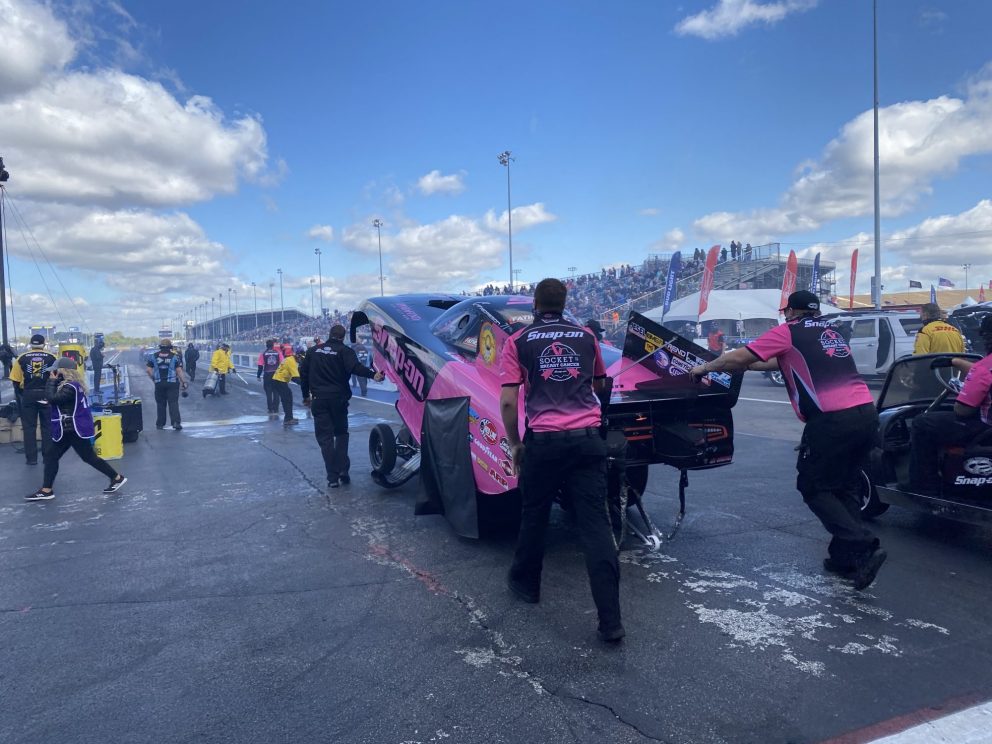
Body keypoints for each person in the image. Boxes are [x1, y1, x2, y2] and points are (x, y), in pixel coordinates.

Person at [690, 290, 886, 590]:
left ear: (791, 311)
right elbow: (774, 362)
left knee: (813, 486)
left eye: (786, 311)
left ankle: (862, 543)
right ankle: (845, 559)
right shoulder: (830, 331)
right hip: (865, 414)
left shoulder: (788, 331)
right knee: (844, 487)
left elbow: (744, 356)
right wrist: (739, 363)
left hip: (832, 420)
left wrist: (705, 367)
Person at [500, 278, 624, 643]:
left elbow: (508, 402)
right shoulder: (587, 336)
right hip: (587, 443)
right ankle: (611, 621)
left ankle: (526, 585)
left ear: (535, 305)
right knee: (595, 528)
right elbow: (601, 385)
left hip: (544, 443)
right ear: (565, 301)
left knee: (534, 514)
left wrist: (514, 443)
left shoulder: (517, 341)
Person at [908, 314, 992, 495]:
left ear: (987, 338)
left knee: (922, 423)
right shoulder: (982, 369)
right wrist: (954, 361)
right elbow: (980, 372)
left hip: (986, 428)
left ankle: (924, 483)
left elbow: (962, 410)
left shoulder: (984, 369)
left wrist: (964, 391)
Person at [24, 358, 127, 501]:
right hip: (70, 428)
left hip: (73, 428)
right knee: (53, 456)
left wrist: (51, 382)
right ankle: (47, 489)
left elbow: (53, 398)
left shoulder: (70, 387)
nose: (52, 373)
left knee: (81, 457)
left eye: (55, 371)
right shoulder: (73, 385)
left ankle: (116, 477)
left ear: (63, 371)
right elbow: (60, 401)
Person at [300, 324, 383, 488]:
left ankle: (332, 478)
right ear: (343, 337)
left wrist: (305, 396)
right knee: (341, 434)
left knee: (325, 439)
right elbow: (356, 368)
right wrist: (373, 374)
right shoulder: (345, 351)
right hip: (338, 400)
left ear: (329, 334)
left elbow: (303, 375)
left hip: (319, 399)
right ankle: (343, 470)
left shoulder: (312, 351)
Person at [10, 334, 57, 466]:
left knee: (29, 427)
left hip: (28, 395)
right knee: (47, 427)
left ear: (31, 344)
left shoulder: (21, 358)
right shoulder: (52, 357)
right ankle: (47, 457)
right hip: (46, 394)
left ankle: (31, 459)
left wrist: (23, 394)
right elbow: (57, 377)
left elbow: (15, 380)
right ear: (44, 344)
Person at [146, 338, 188, 430]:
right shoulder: (174, 356)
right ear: (170, 347)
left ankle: (160, 424)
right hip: (172, 383)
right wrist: (183, 382)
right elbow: (179, 370)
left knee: (160, 404)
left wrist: (154, 378)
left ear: (160, 346)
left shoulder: (154, 356)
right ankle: (176, 423)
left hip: (159, 383)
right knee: (173, 403)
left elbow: (148, 370)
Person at [271, 349, 302, 425]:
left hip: (278, 380)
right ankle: (288, 419)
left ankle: (289, 417)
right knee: (287, 399)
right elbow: (296, 378)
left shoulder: (289, 359)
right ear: (298, 356)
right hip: (279, 381)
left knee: (287, 397)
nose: (301, 360)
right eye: (301, 358)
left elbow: (294, 377)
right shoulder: (292, 362)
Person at [257, 339, 284, 415]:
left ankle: (270, 409)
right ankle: (276, 409)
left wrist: (258, 375)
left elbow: (260, 366)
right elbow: (283, 363)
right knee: (276, 392)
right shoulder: (278, 352)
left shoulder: (263, 353)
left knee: (268, 393)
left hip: (267, 374)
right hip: (276, 374)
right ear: (273, 345)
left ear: (266, 345)